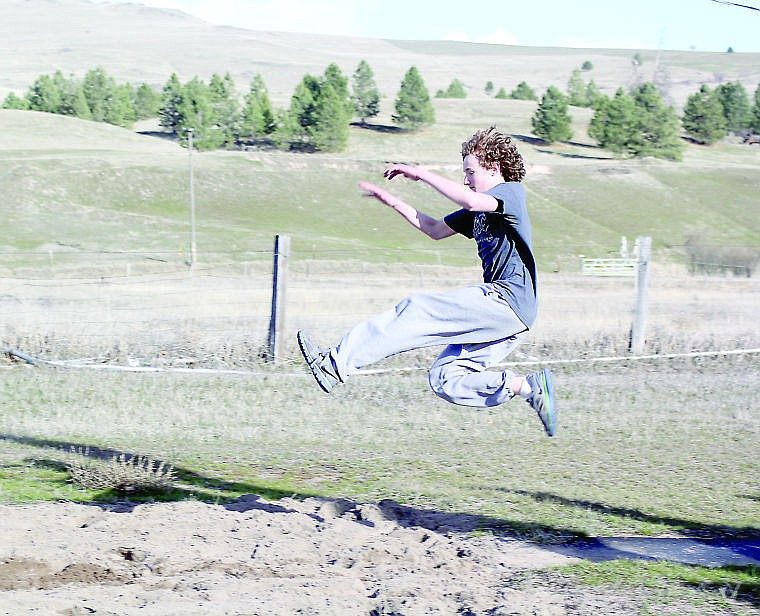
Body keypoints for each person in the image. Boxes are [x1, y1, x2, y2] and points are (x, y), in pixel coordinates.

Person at [297, 126, 557, 436]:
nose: (466, 179)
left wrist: (421, 173)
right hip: (514, 319)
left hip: (507, 300)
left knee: (417, 309)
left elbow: (472, 201)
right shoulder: (478, 211)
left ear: (494, 167)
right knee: (445, 379)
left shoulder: (510, 192)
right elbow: (434, 228)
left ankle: (333, 366)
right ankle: (528, 387)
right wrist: (394, 202)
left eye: (470, 172)